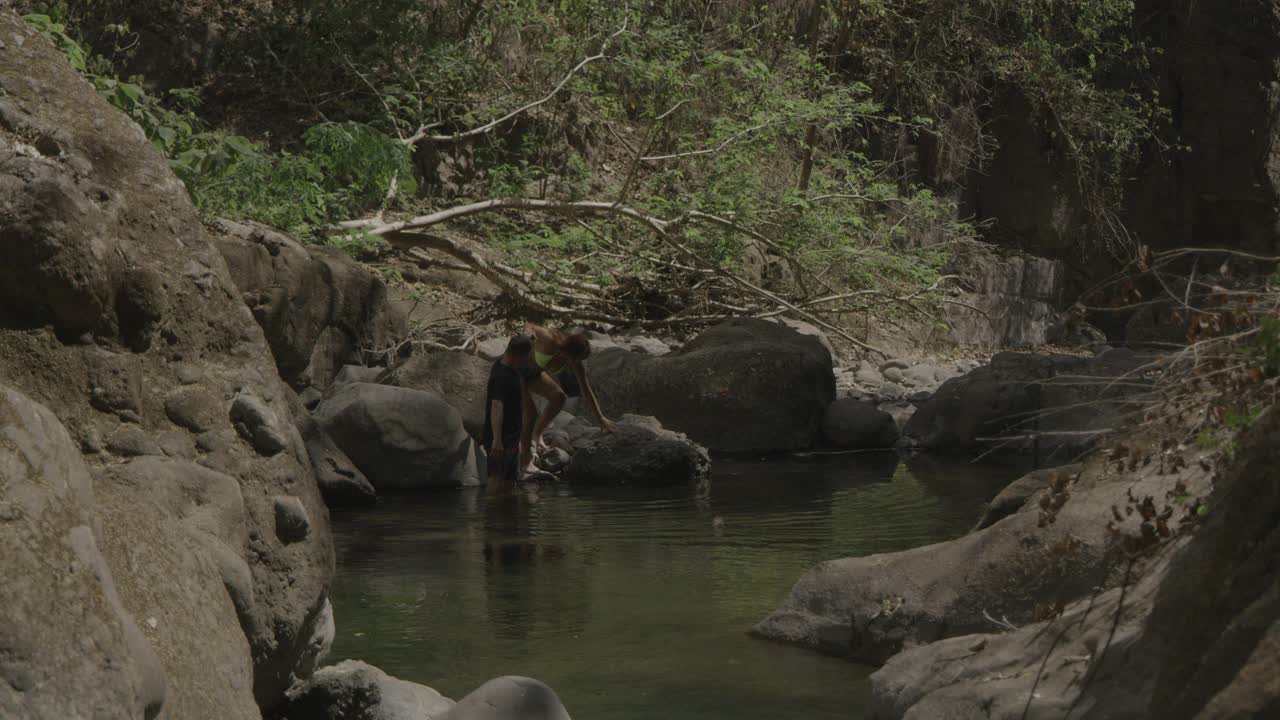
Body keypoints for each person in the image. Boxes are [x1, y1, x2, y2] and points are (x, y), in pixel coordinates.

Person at [520, 323, 615, 472]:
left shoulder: (575, 363)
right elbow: (529, 326)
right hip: (516, 372)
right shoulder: (550, 339)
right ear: (570, 351)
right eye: (577, 358)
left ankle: (536, 434)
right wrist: (528, 337)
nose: (578, 362)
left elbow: (587, 391)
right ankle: (525, 461)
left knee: (559, 397)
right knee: (530, 413)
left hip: (533, 376)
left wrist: (600, 418)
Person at [484, 335, 533, 495]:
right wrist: (497, 441)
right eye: (527, 356)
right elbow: (496, 406)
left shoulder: (510, 367)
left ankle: (507, 518)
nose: (528, 359)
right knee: (496, 479)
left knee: (509, 482)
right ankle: (489, 517)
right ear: (519, 355)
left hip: (511, 437)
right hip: (501, 438)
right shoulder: (502, 375)